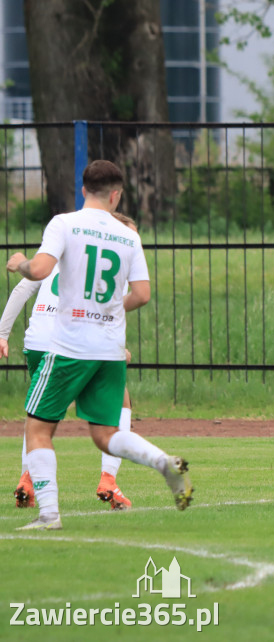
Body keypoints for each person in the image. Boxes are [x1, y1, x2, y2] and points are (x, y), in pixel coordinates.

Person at [5, 159, 192, 531]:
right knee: (106, 435)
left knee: (39, 429)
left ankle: (49, 516)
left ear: (82, 190)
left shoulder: (65, 223)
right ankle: (164, 464)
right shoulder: (129, 235)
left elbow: (40, 271)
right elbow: (142, 294)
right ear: (116, 195)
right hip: (109, 350)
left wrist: (20, 262)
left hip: (69, 346)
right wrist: (107, 311)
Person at [2, 212, 140, 511]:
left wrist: (2, 333)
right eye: (131, 235)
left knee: (39, 416)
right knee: (120, 405)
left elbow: (24, 286)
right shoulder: (109, 265)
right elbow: (95, 312)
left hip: (37, 342)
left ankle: (28, 479)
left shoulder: (64, 248)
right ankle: (108, 480)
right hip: (71, 345)